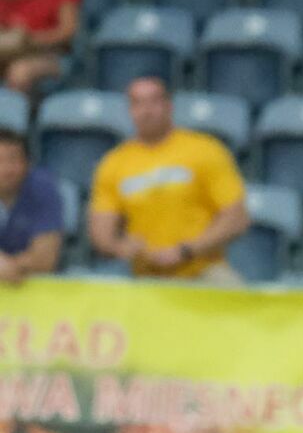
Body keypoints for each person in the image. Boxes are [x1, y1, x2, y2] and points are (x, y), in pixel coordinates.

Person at [88, 76, 248, 282]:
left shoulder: (204, 150)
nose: (147, 111)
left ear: (168, 105)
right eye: (138, 103)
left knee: (234, 295)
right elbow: (102, 233)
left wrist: (187, 250)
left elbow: (237, 218)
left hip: (203, 269)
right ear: (129, 110)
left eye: (154, 101)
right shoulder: (114, 163)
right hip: (146, 275)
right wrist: (121, 248)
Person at [0, 128, 63, 281]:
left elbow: (46, 259)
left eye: (13, 159)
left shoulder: (42, 187)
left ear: (28, 163)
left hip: (33, 285)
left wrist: (10, 266)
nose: (6, 169)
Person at [0, 0, 78, 97]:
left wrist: (32, 39)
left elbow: (68, 31)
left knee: (19, 72)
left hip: (49, 55)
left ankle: (13, 110)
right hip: (7, 52)